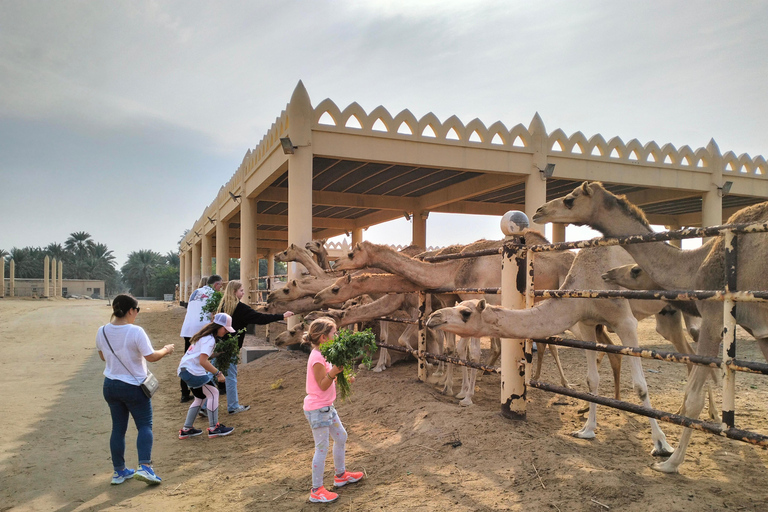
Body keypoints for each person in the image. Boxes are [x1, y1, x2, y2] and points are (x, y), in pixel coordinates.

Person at [97, 294, 175, 485]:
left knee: (118, 429)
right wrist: (166, 349)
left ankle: (119, 471)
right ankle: (145, 467)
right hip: (134, 386)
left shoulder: (102, 331)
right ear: (131, 310)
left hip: (111, 384)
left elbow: (102, 357)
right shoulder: (135, 331)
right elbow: (151, 356)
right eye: (137, 310)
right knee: (144, 425)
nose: (137, 314)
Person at [302, 318, 364, 503]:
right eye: (334, 333)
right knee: (322, 448)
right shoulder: (317, 358)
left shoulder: (325, 353)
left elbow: (329, 379)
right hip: (318, 408)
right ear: (323, 337)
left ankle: (340, 475)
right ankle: (316, 490)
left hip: (326, 407)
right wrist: (334, 373)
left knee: (341, 437)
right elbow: (322, 384)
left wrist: (341, 377)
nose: (336, 336)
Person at [216, 280, 294, 414]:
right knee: (230, 377)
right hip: (231, 348)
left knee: (211, 375)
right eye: (241, 290)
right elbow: (260, 318)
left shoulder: (222, 307)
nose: (243, 292)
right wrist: (281, 316)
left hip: (217, 346)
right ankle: (233, 406)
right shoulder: (241, 308)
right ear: (234, 292)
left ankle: (205, 407)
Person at [177, 312, 237, 439]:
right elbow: (203, 361)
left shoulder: (204, 336)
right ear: (219, 327)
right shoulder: (209, 339)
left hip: (185, 370)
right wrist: (218, 373)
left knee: (200, 398)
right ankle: (214, 427)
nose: (226, 332)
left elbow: (202, 356)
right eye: (225, 329)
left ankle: (187, 429)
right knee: (214, 393)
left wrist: (218, 353)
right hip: (193, 371)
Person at [179, 275, 223, 403]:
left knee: (187, 358)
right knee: (208, 357)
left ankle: (184, 393)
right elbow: (216, 313)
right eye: (220, 285)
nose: (221, 288)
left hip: (188, 329)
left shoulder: (195, 292)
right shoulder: (214, 294)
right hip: (202, 329)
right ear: (215, 285)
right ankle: (217, 384)